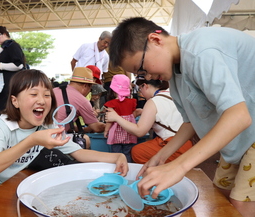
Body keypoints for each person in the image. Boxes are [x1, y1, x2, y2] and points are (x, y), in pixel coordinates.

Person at [109, 17, 255, 217]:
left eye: (142, 69)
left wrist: (179, 166)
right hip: (239, 139)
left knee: (240, 203)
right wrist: (161, 157)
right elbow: (190, 122)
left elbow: (239, 116)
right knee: (221, 194)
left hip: (250, 132)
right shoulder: (175, 75)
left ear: (155, 40)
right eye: (140, 75)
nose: (148, 77)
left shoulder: (202, 51)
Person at [0, 69, 128, 217]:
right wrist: (31, 140)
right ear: (15, 101)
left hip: (21, 186)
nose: (41, 100)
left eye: (47, 95)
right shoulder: (2, 125)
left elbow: (78, 152)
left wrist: (116, 156)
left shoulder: (48, 125)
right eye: (33, 94)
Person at [106, 75, 193, 164]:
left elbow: (139, 131)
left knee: (137, 152)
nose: (141, 94)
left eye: (140, 89)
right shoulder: (172, 93)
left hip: (174, 146)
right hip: (187, 144)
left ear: (145, 86)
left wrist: (116, 117)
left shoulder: (153, 101)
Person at [0, 26, 26, 119]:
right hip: (3, 85)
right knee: (2, 111)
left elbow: (19, 65)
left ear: (4, 34)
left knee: (8, 110)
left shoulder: (13, 45)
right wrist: (1, 48)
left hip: (11, 84)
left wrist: (0, 65)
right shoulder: (4, 48)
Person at [53, 67, 105, 133]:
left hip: (41, 132)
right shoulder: (82, 101)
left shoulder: (54, 90)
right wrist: (112, 124)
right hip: (55, 136)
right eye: (90, 89)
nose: (89, 92)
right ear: (85, 86)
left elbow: (64, 125)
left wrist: (86, 129)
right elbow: (97, 128)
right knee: (86, 139)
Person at [103, 74, 137, 162]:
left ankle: (117, 170)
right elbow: (132, 115)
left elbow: (109, 120)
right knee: (127, 153)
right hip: (128, 133)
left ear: (114, 90)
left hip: (116, 134)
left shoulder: (111, 104)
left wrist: (106, 131)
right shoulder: (132, 102)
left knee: (116, 154)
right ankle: (128, 168)